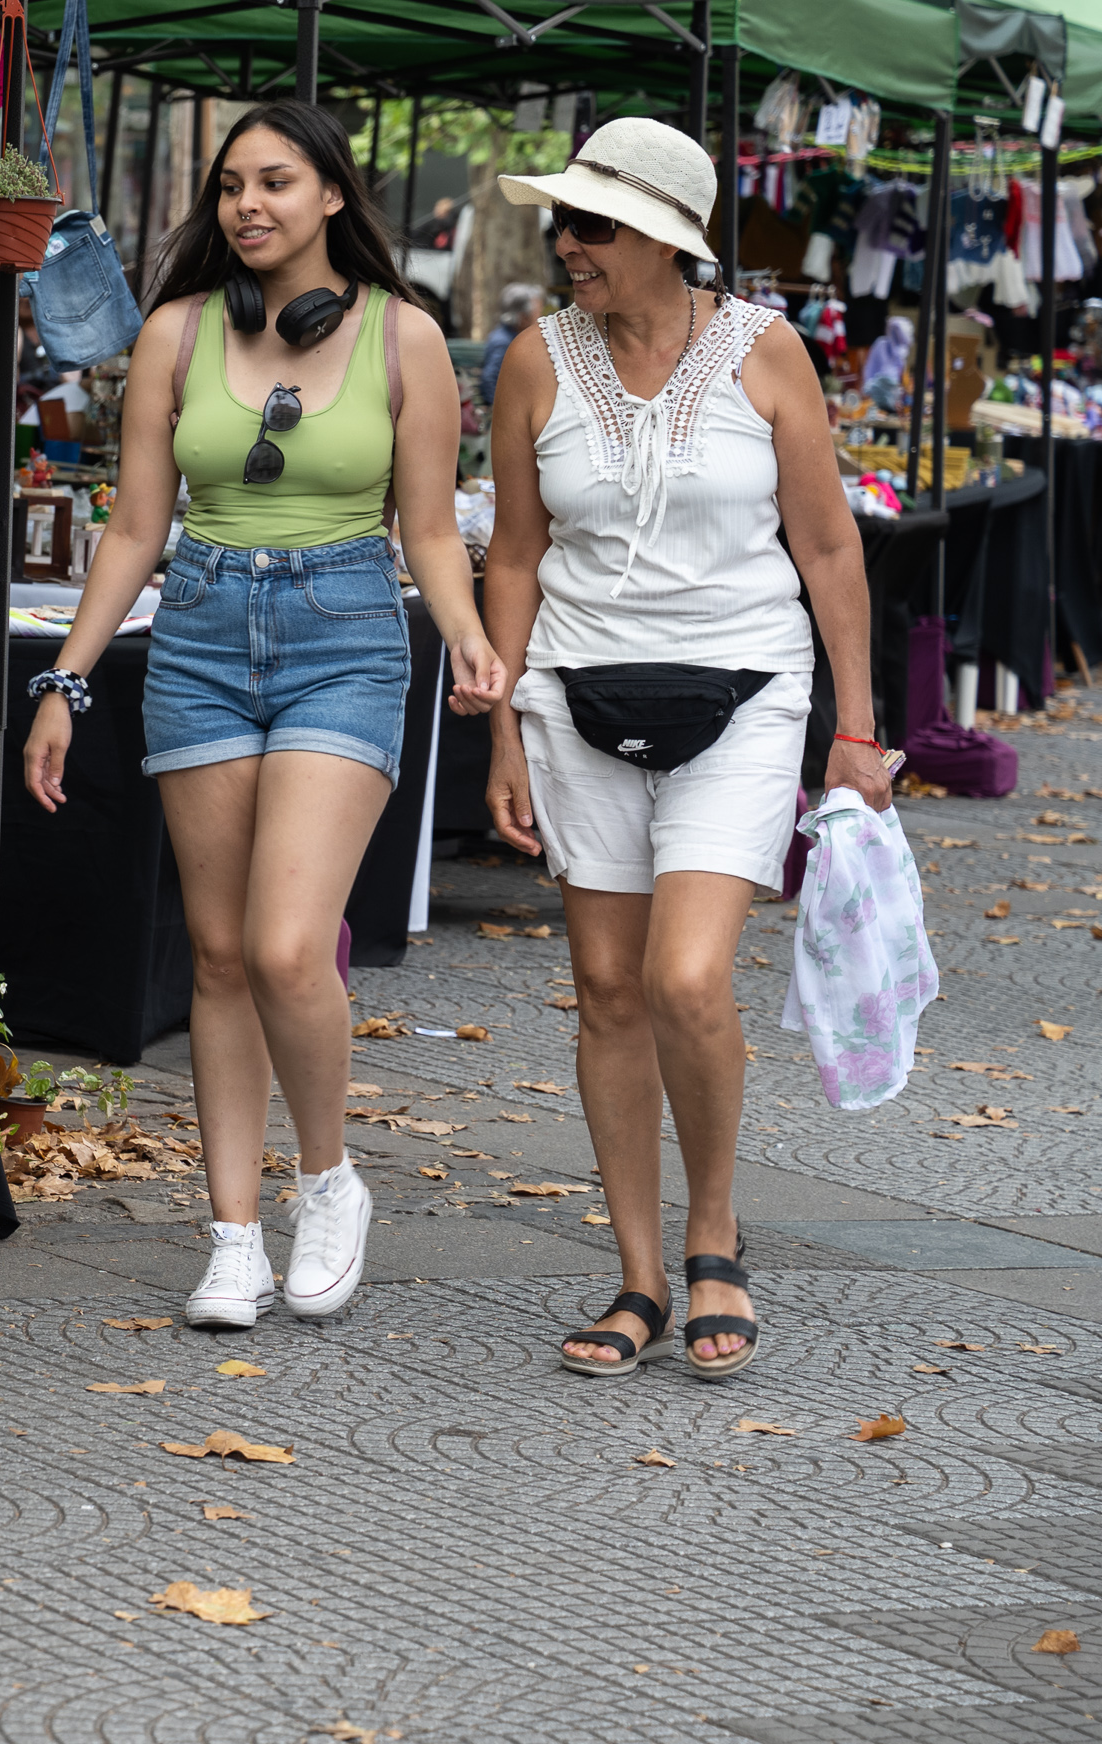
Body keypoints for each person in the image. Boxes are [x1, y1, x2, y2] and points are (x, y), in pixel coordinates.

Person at [19, 100, 504, 1331]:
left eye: (276, 181)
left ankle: (328, 1179)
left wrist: (467, 632)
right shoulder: (174, 335)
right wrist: (67, 681)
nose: (248, 204)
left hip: (344, 630)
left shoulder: (407, 339)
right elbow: (135, 527)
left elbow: (432, 527)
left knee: (291, 943)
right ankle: (231, 1233)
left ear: (332, 194)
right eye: (232, 184)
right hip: (197, 635)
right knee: (220, 953)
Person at [482, 117, 890, 1381]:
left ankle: (716, 1233)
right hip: (578, 694)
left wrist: (859, 727)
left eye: (593, 224)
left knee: (685, 976)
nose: (569, 243)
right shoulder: (536, 360)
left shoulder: (767, 352)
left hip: (749, 688)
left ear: (666, 237)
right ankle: (640, 1275)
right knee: (605, 988)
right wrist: (503, 720)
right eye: (564, 221)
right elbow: (514, 551)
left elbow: (828, 546)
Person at [476, 281, 544, 408]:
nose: (539, 317)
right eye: (537, 312)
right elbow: (489, 379)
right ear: (523, 316)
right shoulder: (504, 342)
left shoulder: (515, 337)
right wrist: (501, 411)